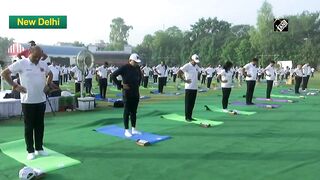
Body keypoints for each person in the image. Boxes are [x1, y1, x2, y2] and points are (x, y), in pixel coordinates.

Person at [1, 46, 53, 160]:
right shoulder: (21, 63)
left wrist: (48, 85)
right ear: (30, 52)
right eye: (35, 57)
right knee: (29, 126)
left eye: (39, 57)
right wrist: (15, 86)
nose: (37, 59)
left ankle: (39, 148)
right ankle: (30, 150)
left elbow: (51, 74)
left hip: (41, 100)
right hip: (28, 101)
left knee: (40, 125)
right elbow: (4, 73)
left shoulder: (42, 64)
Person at [111, 53, 142, 137]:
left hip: (135, 93)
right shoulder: (124, 68)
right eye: (135, 62)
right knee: (127, 111)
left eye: (137, 62)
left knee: (134, 112)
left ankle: (134, 129)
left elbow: (140, 76)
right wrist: (120, 85)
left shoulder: (137, 68)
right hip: (127, 93)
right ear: (130, 60)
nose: (136, 63)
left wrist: (137, 85)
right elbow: (113, 75)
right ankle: (126, 130)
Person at [177, 54, 201, 121]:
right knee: (188, 103)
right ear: (192, 59)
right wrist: (185, 80)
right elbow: (179, 72)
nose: (196, 62)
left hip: (195, 87)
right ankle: (187, 117)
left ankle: (190, 116)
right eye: (195, 61)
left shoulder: (196, 66)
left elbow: (200, 71)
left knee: (192, 103)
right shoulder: (187, 65)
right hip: (189, 87)